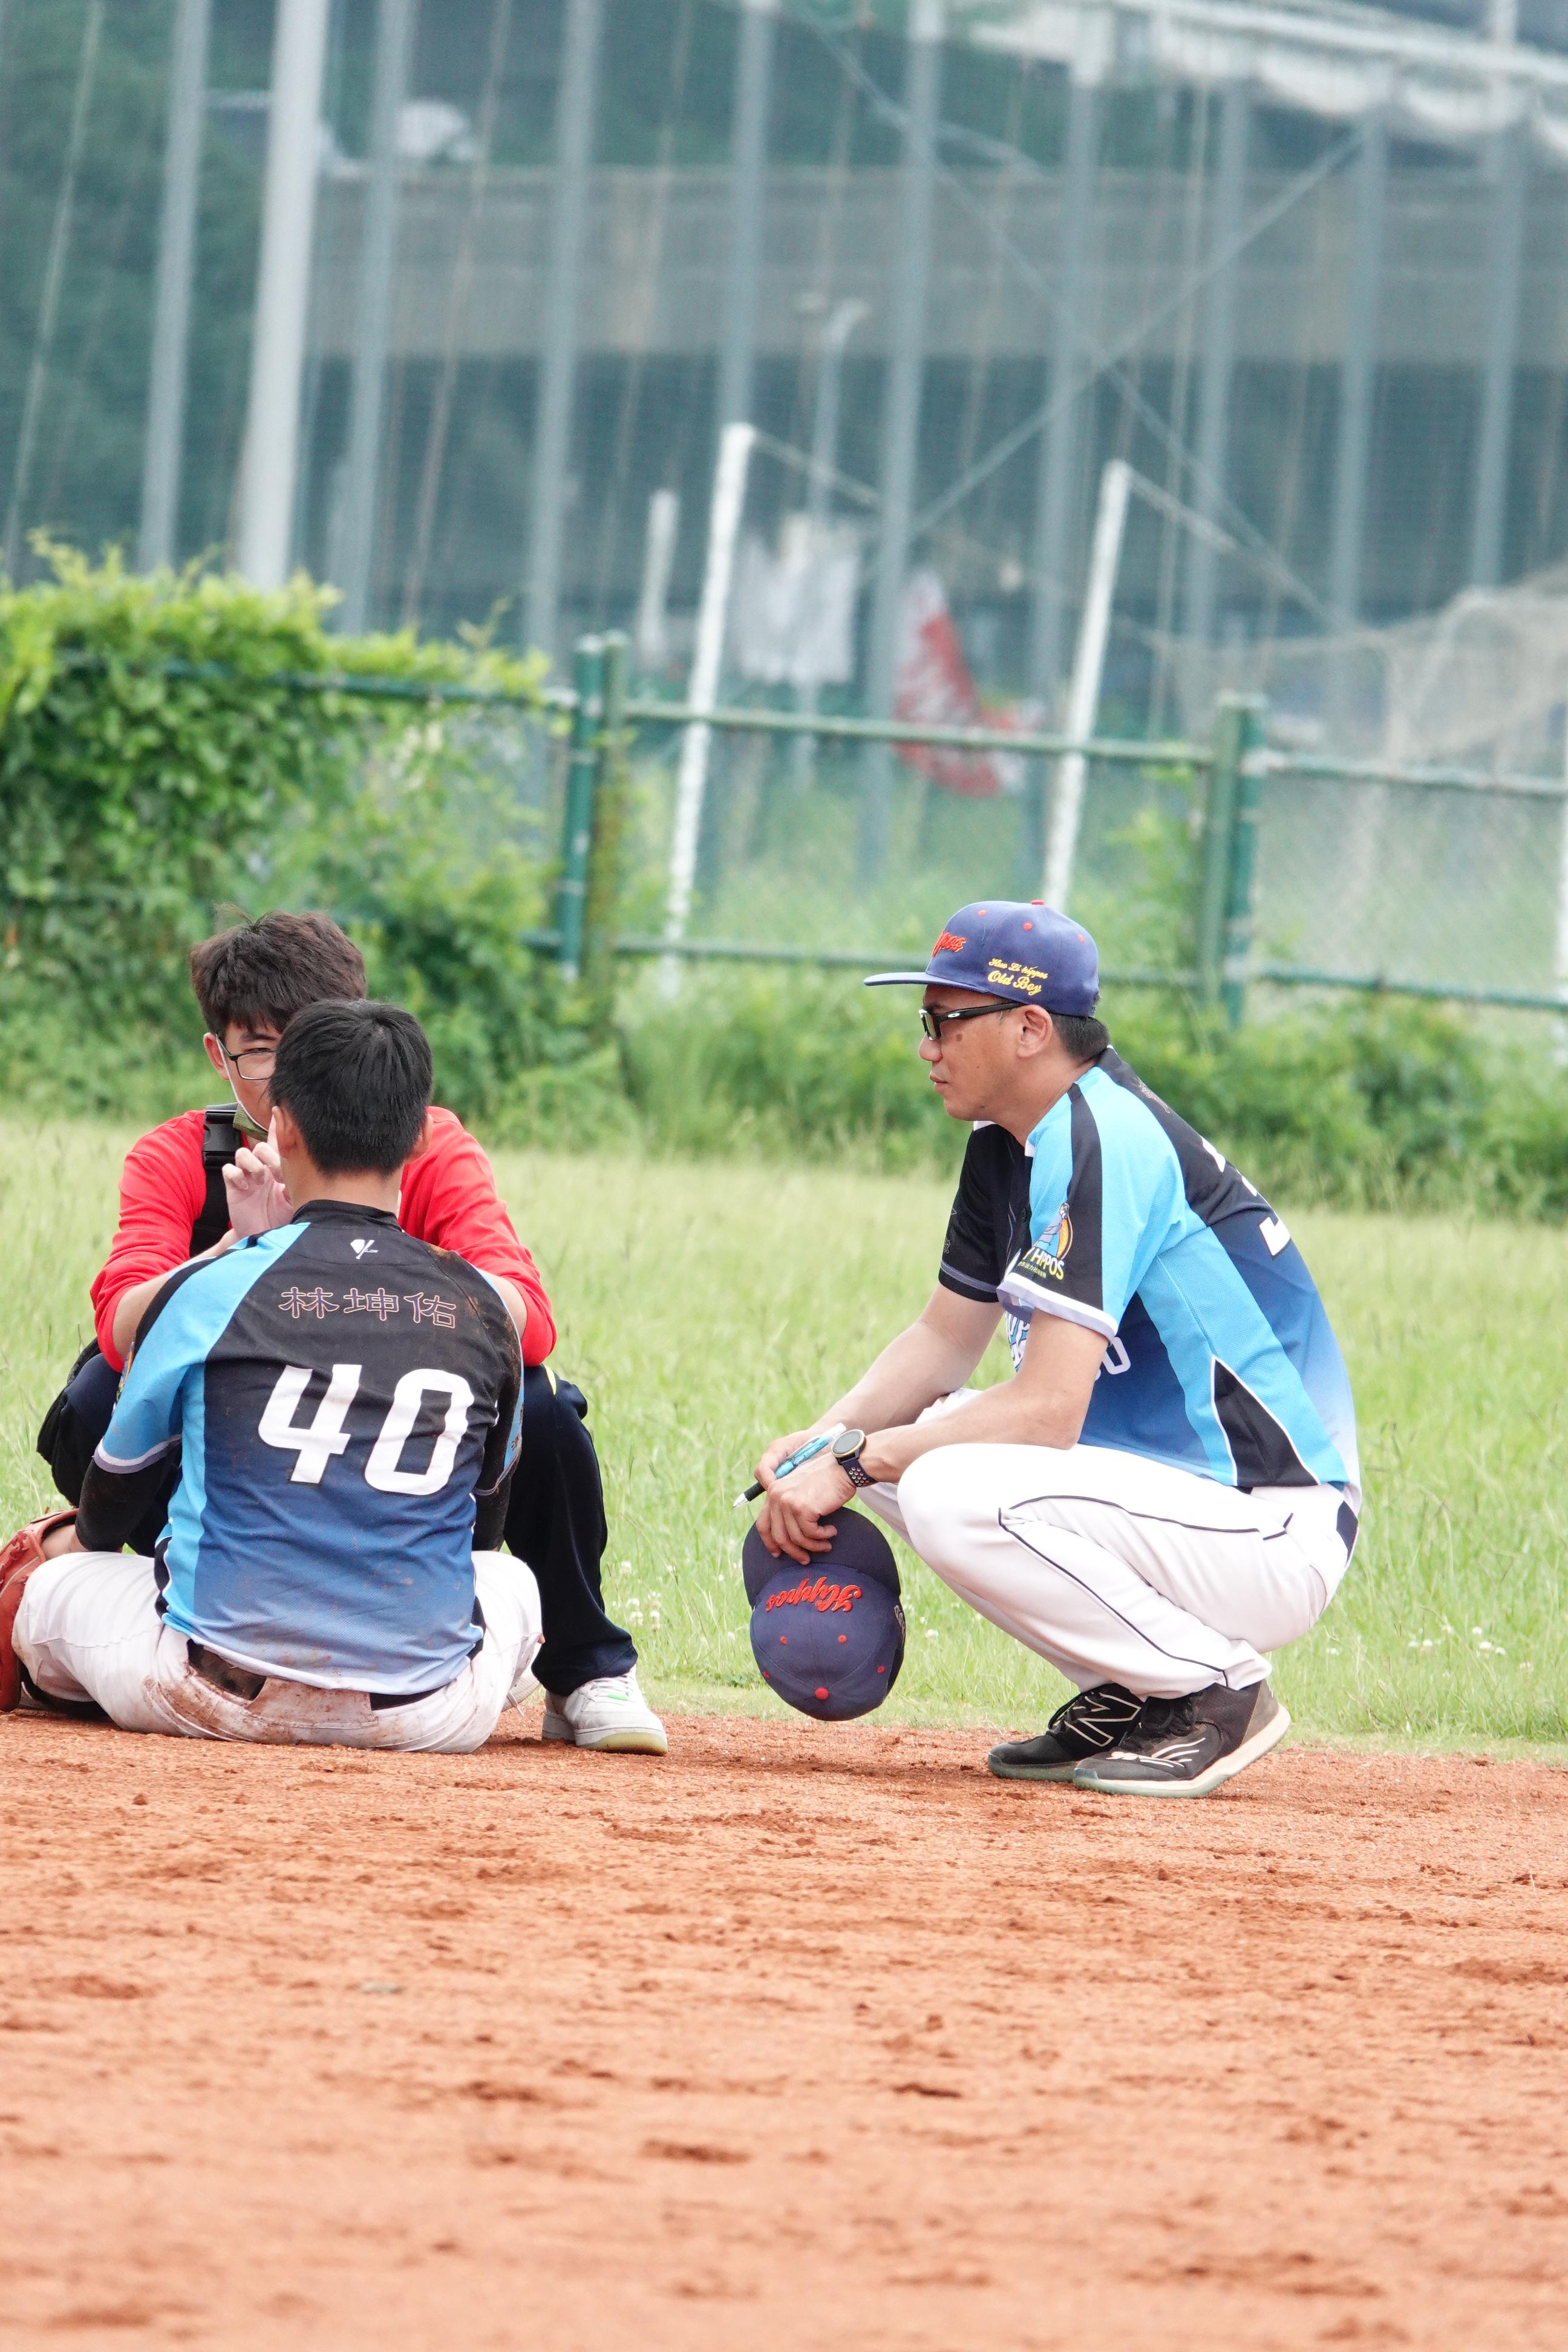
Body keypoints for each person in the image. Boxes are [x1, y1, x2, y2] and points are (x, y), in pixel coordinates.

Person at [751, 900, 1360, 1798]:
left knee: (945, 1484)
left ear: (1031, 1028)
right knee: (906, 1451)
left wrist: (853, 1460)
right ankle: (1136, 1688)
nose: (926, 1046)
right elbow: (942, 1339)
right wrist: (822, 1441)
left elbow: (1046, 1411)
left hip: (1267, 1519)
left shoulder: (1107, 1139)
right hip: (1171, 1499)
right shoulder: (1011, 1143)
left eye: (946, 1021)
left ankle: (1213, 1690)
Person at [32, 910, 664, 1754]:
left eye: (313, 1040)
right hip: (237, 1463)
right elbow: (120, 1330)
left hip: (390, 1448)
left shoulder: (426, 1147)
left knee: (541, 1406)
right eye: (263, 1050)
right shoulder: (180, 1156)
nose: (292, 1077)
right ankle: (185, 1582)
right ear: (219, 1055)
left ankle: (588, 1667)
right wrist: (242, 1254)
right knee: (96, 1395)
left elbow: (531, 1323)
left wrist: (358, 1271)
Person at [1, 1002, 541, 1752]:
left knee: (53, 1589)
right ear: (421, 1136)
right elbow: (484, 1526)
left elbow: (111, 1498)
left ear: (280, 1129)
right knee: (513, 1584)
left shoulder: (210, 1286)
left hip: (209, 1691)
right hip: (426, 1711)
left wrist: (78, 1540)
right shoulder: (485, 1304)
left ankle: (81, 1684)